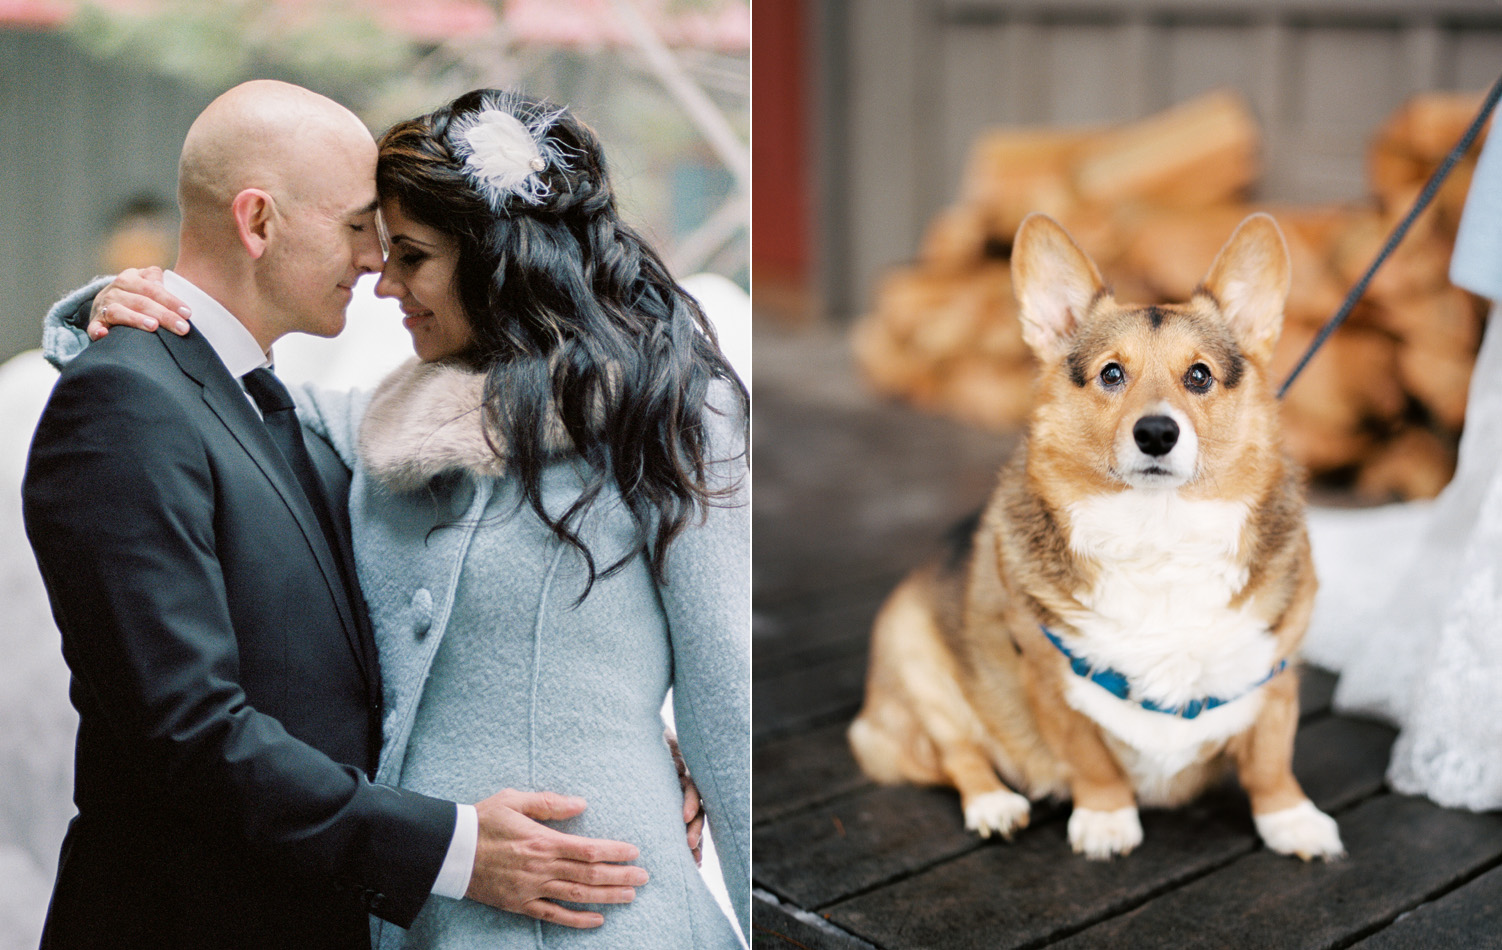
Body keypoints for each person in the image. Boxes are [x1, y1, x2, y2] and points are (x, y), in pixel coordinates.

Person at [59, 87, 751, 948]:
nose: (380, 278)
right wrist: (119, 310)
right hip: (411, 917)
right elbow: (205, 405)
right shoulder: (380, 420)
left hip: (594, 909)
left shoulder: (671, 410)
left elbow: (732, 697)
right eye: (366, 238)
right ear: (260, 221)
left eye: (408, 254)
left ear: (498, 260)